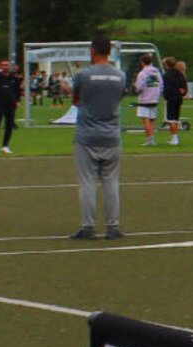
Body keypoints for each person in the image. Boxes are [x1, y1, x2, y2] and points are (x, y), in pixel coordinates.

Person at [69, 38, 126, 240]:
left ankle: (88, 227)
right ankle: (113, 227)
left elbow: (76, 100)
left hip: (87, 135)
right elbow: (119, 98)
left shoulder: (83, 75)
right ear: (109, 52)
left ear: (92, 51)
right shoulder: (120, 76)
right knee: (111, 183)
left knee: (87, 183)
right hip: (112, 135)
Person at [0, 60, 21, 153]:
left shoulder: (13, 78)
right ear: (1, 67)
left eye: (6, 65)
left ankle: (5, 145)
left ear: (9, 66)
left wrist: (17, 101)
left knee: (9, 126)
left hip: (10, 105)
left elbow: (17, 91)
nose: (5, 67)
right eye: (3, 65)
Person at [131, 54, 163, 146]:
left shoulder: (142, 73)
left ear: (142, 62)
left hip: (144, 99)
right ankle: (152, 139)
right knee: (152, 120)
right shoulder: (156, 72)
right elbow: (161, 84)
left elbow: (139, 87)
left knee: (145, 120)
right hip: (154, 98)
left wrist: (136, 88)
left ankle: (149, 140)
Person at [164, 57, 188, 145]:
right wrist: (182, 93)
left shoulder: (167, 75)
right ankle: (175, 137)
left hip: (171, 98)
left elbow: (166, 88)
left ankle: (174, 138)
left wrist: (166, 96)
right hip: (178, 98)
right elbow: (184, 87)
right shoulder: (180, 73)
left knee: (171, 119)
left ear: (167, 65)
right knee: (176, 118)